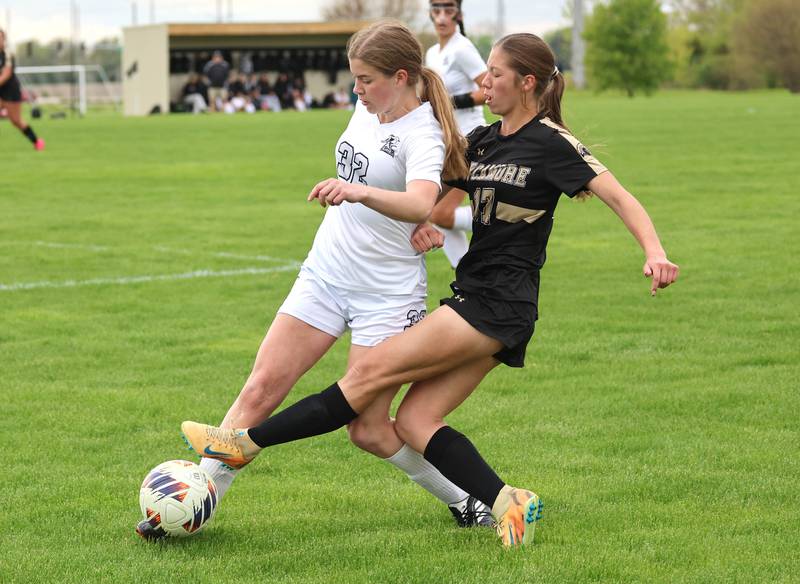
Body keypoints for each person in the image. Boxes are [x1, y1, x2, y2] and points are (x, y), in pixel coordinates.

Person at [182, 32, 680, 547]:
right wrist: (428, 226)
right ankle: (508, 503)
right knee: (416, 420)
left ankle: (245, 443)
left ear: (527, 83)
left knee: (368, 375)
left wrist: (654, 251)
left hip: (496, 304)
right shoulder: (484, 141)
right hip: (476, 298)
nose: (484, 80)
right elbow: (436, 202)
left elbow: (619, 197)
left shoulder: (553, 143)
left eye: (496, 73)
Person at [138, 21, 494, 540]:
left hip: (387, 294)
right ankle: (192, 503)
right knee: (260, 390)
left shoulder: (424, 132)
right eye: (354, 78)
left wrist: (389, 203)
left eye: (366, 80)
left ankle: (467, 500)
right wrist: (406, 212)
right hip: (326, 271)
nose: (356, 90)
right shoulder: (369, 104)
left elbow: (424, 194)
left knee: (369, 429)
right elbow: (409, 192)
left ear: (400, 76)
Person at [425, 0, 488, 268]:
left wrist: (449, 102)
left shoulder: (462, 48)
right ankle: (465, 272)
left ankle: (499, 220)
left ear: (458, 14)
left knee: (435, 211)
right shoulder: (431, 53)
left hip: (469, 140)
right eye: (436, 10)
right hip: (447, 142)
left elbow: (489, 89)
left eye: (448, 10)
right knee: (432, 212)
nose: (441, 17)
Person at [0, 28, 44, 150]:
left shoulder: (9, 54)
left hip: (10, 91)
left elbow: (6, 74)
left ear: (4, 40)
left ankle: (37, 142)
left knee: (16, 121)